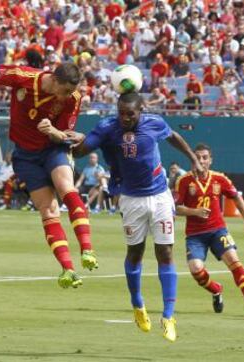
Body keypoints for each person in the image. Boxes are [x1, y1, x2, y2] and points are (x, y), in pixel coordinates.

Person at [0, 62, 98, 289]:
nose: (68, 96)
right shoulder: (22, 76)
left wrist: (54, 132)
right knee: (48, 210)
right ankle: (68, 268)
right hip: (25, 156)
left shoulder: (73, 99)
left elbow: (66, 135)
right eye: (66, 90)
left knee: (66, 187)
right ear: (54, 80)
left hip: (53, 150)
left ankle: (87, 248)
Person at [71, 92, 203, 342]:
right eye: (121, 113)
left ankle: (168, 315)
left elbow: (173, 136)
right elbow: (80, 151)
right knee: (135, 253)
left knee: (165, 252)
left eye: (130, 114)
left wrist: (193, 158)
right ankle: (138, 304)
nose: (125, 118)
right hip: (131, 199)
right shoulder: (107, 128)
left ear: (141, 111)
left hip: (161, 196)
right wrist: (65, 140)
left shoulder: (154, 123)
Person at [175, 143, 244, 315]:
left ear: (210, 160)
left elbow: (237, 198)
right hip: (195, 235)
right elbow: (176, 208)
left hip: (217, 230)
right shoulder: (183, 181)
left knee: (233, 258)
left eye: (205, 157)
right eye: (197, 157)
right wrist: (195, 212)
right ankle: (216, 289)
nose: (201, 160)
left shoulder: (220, 179)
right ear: (192, 159)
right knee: (195, 268)